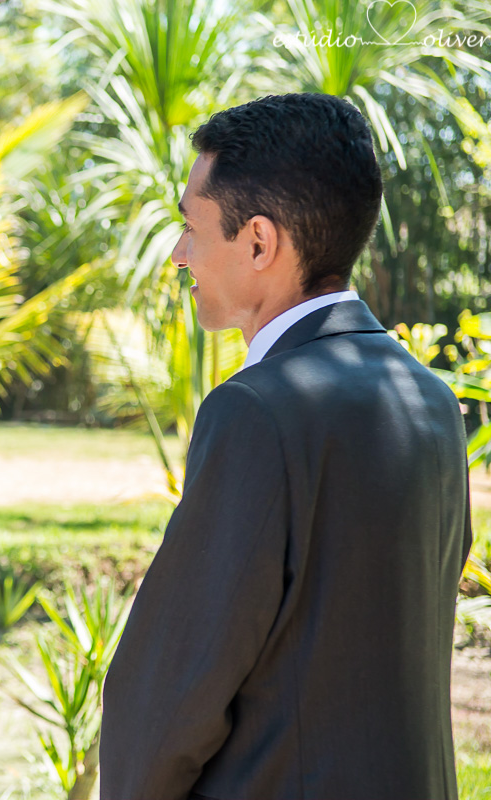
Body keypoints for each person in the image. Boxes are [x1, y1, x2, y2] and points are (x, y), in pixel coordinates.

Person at [100, 93, 472, 799]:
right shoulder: (429, 400)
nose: (181, 254)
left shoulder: (257, 412)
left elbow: (165, 698)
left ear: (261, 242)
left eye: (191, 226)